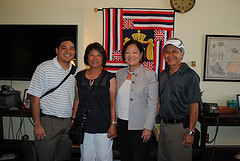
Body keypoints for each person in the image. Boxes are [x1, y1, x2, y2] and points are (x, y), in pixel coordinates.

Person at [27, 36, 77, 161]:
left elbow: (76, 98)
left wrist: (72, 119)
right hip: (48, 122)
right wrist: (37, 125)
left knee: (63, 157)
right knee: (46, 157)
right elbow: (34, 98)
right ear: (56, 50)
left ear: (75, 52)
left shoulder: (75, 72)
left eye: (71, 48)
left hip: (67, 123)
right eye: (64, 48)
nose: (68, 51)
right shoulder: (44, 68)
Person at [158, 38, 202, 161]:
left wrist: (191, 132)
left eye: (175, 51)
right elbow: (159, 100)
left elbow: (194, 105)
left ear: (182, 54)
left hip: (180, 128)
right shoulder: (163, 74)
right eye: (167, 52)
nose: (170, 55)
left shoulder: (190, 76)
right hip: (163, 126)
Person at [72, 42, 117, 161]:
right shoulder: (79, 76)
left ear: (103, 58)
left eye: (98, 55)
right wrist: (73, 119)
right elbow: (77, 100)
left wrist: (113, 124)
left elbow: (113, 103)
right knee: (86, 157)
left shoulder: (110, 78)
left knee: (104, 158)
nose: (95, 58)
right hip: (83, 125)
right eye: (92, 55)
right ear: (87, 57)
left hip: (103, 125)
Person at [116, 39, 158, 161]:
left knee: (139, 157)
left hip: (141, 127)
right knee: (125, 156)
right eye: (127, 52)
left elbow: (152, 103)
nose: (131, 55)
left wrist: (148, 127)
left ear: (140, 55)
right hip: (122, 124)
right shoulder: (120, 73)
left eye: (134, 52)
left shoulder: (149, 75)